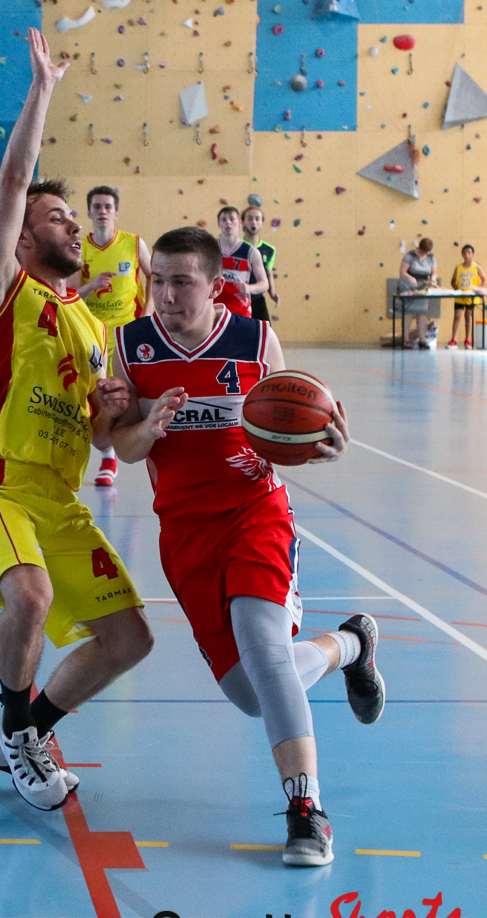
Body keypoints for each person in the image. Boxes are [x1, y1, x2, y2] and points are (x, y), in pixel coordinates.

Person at [108, 225, 385, 867]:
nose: (166, 295)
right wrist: (149, 427)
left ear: (214, 286)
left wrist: (322, 446)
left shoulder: (255, 341)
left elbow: (294, 434)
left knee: (262, 646)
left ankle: (306, 809)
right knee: (252, 693)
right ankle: (352, 644)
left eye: (182, 283)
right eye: (158, 281)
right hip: (185, 531)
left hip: (255, 513)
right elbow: (121, 446)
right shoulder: (130, 346)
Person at [0, 28, 153, 813]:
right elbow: (11, 183)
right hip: (0, 488)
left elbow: (103, 439)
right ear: (26, 236)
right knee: (30, 598)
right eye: (59, 216)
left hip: (61, 500)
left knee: (131, 639)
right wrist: (42, 90)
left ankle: (22, 730)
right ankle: (21, 737)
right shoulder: (2, 292)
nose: (74, 225)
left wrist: (120, 417)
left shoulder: (92, 327)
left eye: (75, 216)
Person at [76, 184, 151, 488]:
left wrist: (148, 313)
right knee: (98, 398)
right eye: (97, 206)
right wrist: (91, 285)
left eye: (108, 206)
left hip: (126, 333)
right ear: (89, 212)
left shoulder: (134, 243)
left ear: (116, 212)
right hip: (92, 333)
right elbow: (71, 294)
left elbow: (153, 275)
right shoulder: (80, 248)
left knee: (129, 397)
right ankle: (106, 454)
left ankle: (124, 454)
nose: (103, 211)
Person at [213, 206, 268, 319]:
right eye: (224, 219)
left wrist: (249, 288)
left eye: (231, 219)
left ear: (240, 222)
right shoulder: (209, 249)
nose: (228, 222)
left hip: (240, 311)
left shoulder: (251, 252)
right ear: (219, 224)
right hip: (214, 310)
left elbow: (264, 284)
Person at [241, 205, 279, 325]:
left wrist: (272, 292)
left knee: (265, 329)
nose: (254, 222)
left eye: (257, 219)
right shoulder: (236, 246)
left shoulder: (269, 249)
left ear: (262, 223)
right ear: (243, 222)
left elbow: (268, 272)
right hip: (238, 297)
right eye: (250, 218)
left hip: (257, 297)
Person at [397, 238, 439, 349]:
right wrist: (410, 278)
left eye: (428, 251)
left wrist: (433, 279)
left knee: (422, 313)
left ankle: (422, 339)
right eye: (424, 251)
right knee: (408, 313)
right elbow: (402, 272)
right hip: (409, 286)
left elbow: (434, 272)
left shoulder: (431, 257)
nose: (426, 253)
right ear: (420, 248)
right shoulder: (410, 255)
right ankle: (405, 339)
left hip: (423, 287)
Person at [448, 243, 482, 349]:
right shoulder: (458, 267)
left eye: (469, 252)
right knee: (457, 316)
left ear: (472, 254)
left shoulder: (476, 267)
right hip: (460, 296)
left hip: (470, 297)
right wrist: (457, 290)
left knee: (468, 317)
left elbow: (484, 279)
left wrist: (478, 289)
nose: (466, 255)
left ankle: (468, 339)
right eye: (464, 253)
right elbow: (453, 282)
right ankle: (453, 338)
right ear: (462, 255)